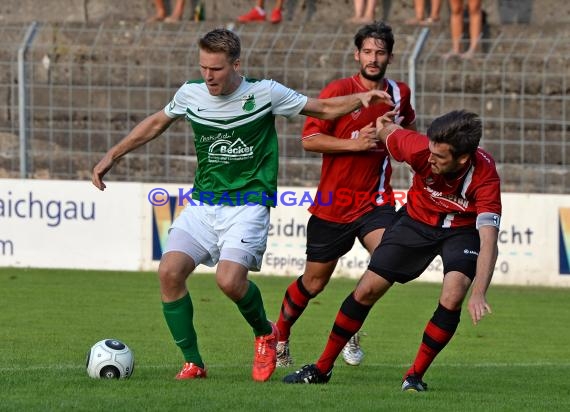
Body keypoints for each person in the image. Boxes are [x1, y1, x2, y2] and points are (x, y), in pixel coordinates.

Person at [92, 28, 392, 382]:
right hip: (203, 203)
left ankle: (266, 333)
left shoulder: (264, 93)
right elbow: (157, 123)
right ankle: (193, 363)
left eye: (216, 69)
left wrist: (361, 99)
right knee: (169, 273)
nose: (208, 76)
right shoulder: (191, 94)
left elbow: (323, 108)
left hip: (248, 203)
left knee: (229, 281)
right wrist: (113, 153)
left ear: (236, 64)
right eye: (203, 67)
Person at [283, 109, 502, 391]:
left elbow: (488, 241)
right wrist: (383, 124)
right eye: (431, 151)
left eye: (440, 157)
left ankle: (414, 376)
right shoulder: (419, 148)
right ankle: (322, 368)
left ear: (462, 159)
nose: (430, 159)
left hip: (462, 231)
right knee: (366, 290)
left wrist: (480, 292)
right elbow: (387, 132)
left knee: (454, 293)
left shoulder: (485, 178)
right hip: (416, 221)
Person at [274, 21, 416, 369]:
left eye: (380, 52)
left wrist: (393, 137)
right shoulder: (338, 90)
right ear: (357, 55)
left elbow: (407, 129)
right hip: (333, 204)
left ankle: (351, 323)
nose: (373, 57)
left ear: (390, 57)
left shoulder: (400, 93)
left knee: (387, 260)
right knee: (313, 283)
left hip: (375, 202)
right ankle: (279, 335)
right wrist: (355, 143)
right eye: (367, 51)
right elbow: (309, 140)